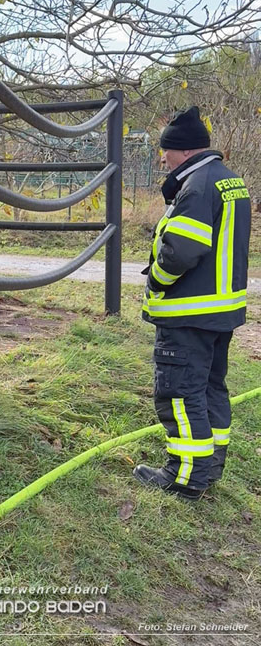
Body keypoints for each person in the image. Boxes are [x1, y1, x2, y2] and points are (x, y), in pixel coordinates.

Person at [134, 106, 251, 500]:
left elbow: (182, 251)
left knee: (180, 394)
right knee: (210, 389)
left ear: (183, 151)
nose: (162, 158)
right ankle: (209, 467)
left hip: (189, 313)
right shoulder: (230, 181)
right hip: (220, 313)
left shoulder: (197, 186)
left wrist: (156, 279)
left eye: (165, 151)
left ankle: (185, 477)